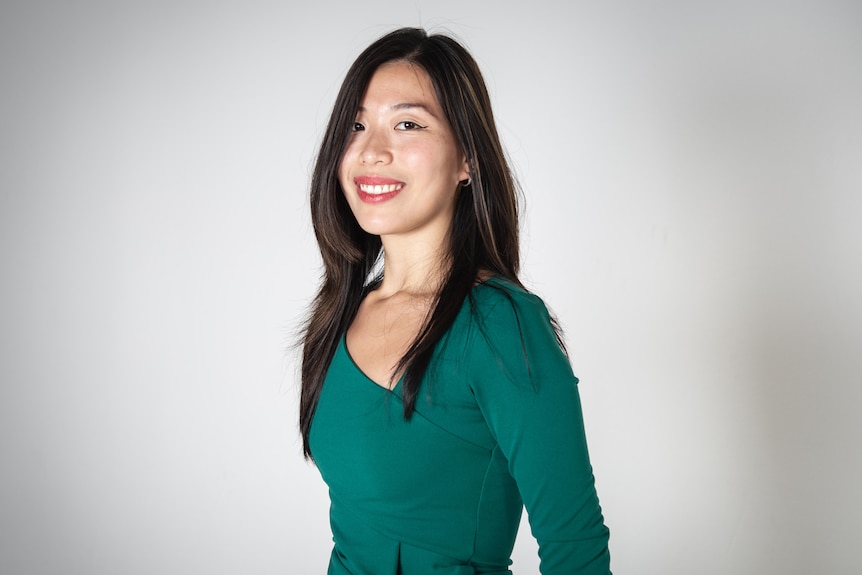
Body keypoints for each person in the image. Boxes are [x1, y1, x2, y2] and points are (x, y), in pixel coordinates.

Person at [299, 27, 611, 574]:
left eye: (407, 123)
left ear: (466, 159)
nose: (372, 150)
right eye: (356, 124)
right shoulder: (344, 311)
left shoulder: (501, 325)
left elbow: (575, 549)